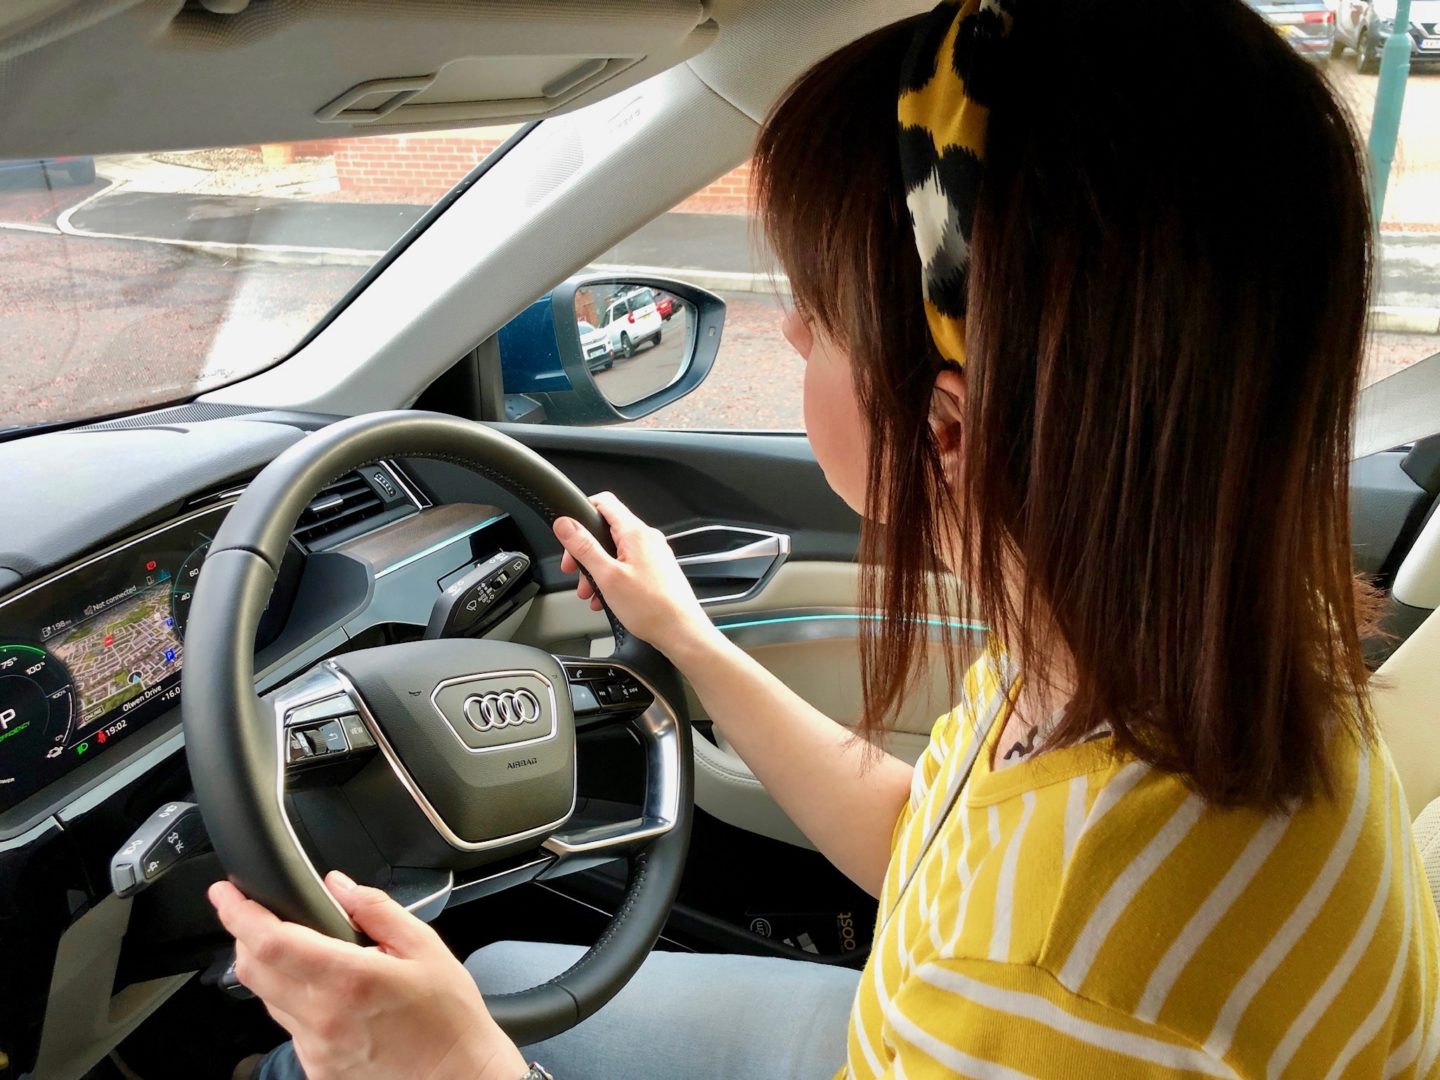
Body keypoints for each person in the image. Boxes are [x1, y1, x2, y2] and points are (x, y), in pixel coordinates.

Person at [210, 0, 1440, 1076]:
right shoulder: (1168, 671)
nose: (791, 337)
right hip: (901, 1031)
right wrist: (686, 638)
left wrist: (454, 1072)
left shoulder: (1058, 978)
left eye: (820, 313)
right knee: (511, 967)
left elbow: (1012, 954)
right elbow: (933, 840)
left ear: (946, 429)